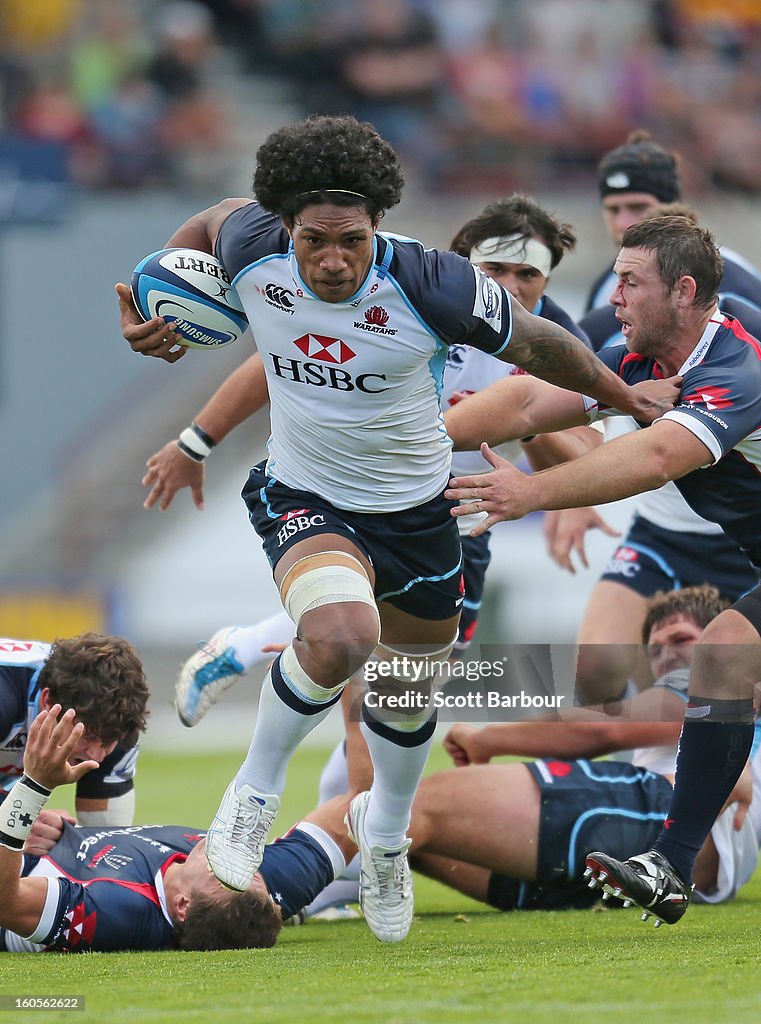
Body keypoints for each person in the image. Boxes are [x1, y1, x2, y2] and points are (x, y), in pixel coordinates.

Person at [115, 114, 676, 942]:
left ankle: (383, 842)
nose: (333, 260)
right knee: (340, 636)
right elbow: (202, 228)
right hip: (305, 492)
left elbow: (545, 351)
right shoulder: (248, 243)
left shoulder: (434, 283)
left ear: (377, 224)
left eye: (351, 240)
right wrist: (166, 297)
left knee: (407, 697)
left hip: (418, 512)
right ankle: (253, 793)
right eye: (314, 242)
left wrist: (627, 399)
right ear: (286, 227)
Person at [443, 213, 761, 926]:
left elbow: (652, 459)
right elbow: (528, 398)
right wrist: (412, 450)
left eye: (628, 281)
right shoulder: (633, 358)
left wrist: (532, 491)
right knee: (602, 668)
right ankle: (670, 862)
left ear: (683, 292)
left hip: (694, 542)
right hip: (698, 545)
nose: (610, 294)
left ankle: (344, 848)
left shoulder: (733, 361)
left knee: (387, 680)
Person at [167, 192, 591, 721]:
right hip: (373, 496)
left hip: (462, 521)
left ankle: (248, 649)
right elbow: (269, 366)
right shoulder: (429, 304)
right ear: (466, 267)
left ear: (547, 281)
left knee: (411, 687)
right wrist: (196, 441)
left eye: (527, 274)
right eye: (494, 269)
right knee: (361, 656)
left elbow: (584, 451)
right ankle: (296, 745)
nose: (509, 286)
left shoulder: (554, 343)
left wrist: (530, 422)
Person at [549, 132, 761, 703]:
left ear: (676, 211)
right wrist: (574, 491)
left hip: (734, 533)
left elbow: (668, 445)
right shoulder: (616, 288)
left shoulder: (732, 291)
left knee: (717, 694)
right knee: (594, 681)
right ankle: (619, 790)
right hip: (662, 527)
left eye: (639, 209)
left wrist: (537, 492)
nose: (623, 222)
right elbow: (560, 393)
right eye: (614, 209)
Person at [0, 706, 342, 953]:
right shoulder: (257, 883)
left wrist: (32, 789)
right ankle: (345, 891)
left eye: (222, 874)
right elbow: (351, 810)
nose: (236, 857)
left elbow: (7, 902)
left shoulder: (121, 910)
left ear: (182, 905)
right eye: (249, 867)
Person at [0, 634, 149, 825]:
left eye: (109, 741)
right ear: (48, 702)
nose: (97, 757)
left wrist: (67, 839)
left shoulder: (117, 723)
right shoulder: (5, 698)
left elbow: (106, 842)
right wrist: (20, 821)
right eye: (88, 735)